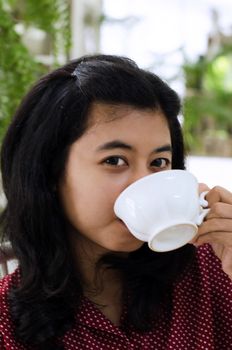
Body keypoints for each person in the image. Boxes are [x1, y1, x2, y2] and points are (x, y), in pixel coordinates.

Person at [0, 54, 232, 350]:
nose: (144, 182)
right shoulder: (6, 322)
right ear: (49, 172)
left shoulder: (212, 266)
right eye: (115, 160)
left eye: (159, 162)